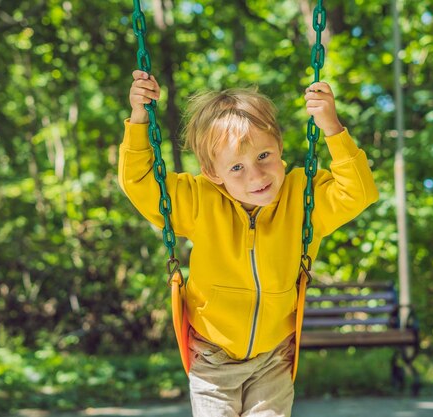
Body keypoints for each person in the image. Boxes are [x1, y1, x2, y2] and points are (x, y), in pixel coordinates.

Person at [118, 70, 379, 417]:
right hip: (212, 356)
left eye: (264, 156)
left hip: (273, 356)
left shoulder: (302, 198)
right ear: (214, 173)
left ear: (279, 147)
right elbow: (138, 180)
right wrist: (139, 118)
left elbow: (358, 192)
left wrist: (332, 127)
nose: (256, 176)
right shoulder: (199, 200)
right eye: (237, 167)